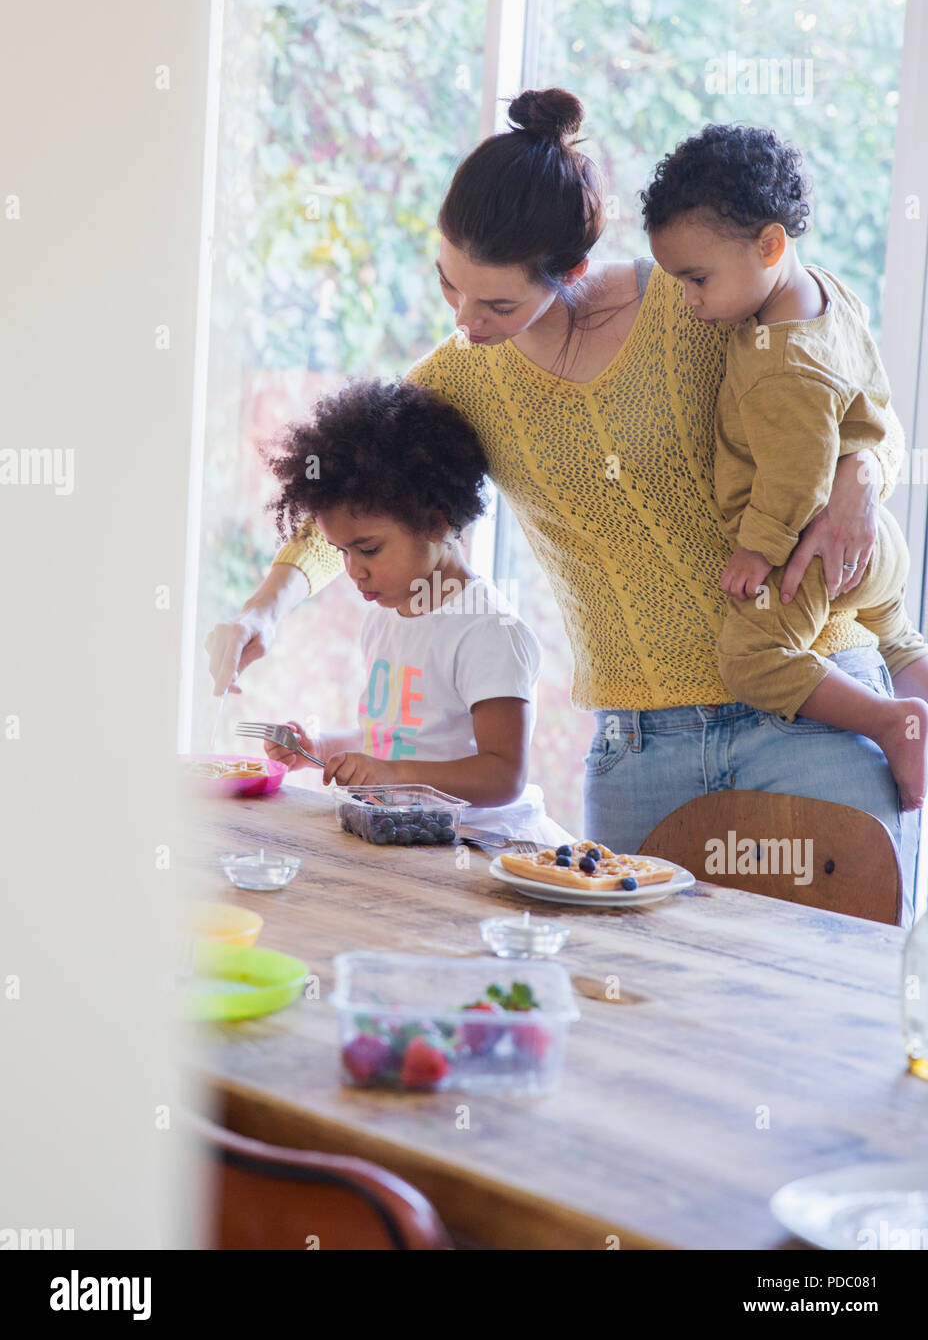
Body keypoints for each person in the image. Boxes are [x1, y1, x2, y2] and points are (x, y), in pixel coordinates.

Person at [205, 87, 923, 922]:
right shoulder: (463, 375)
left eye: (498, 303)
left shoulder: (698, 298)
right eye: (450, 289)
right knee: (633, 1023)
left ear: (572, 270)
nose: (467, 323)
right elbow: (356, 493)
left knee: (838, 1014)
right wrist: (267, 606)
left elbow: (853, 395)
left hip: (814, 714)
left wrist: (860, 482)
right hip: (640, 753)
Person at [641, 123, 928, 812]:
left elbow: (797, 475)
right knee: (897, 631)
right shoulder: (827, 292)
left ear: (770, 245)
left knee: (750, 658)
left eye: (697, 280)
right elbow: (870, 408)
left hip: (809, 555)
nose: (690, 301)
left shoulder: (779, 365)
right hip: (878, 543)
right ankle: (915, 687)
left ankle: (891, 722)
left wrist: (757, 548)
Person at [258, 375, 572, 845]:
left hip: (488, 848)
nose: (353, 571)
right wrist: (322, 749)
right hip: (415, 841)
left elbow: (503, 776)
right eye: (341, 551)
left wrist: (391, 774)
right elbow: (395, 739)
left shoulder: (487, 631)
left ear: (435, 522)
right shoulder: (385, 616)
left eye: (368, 549)